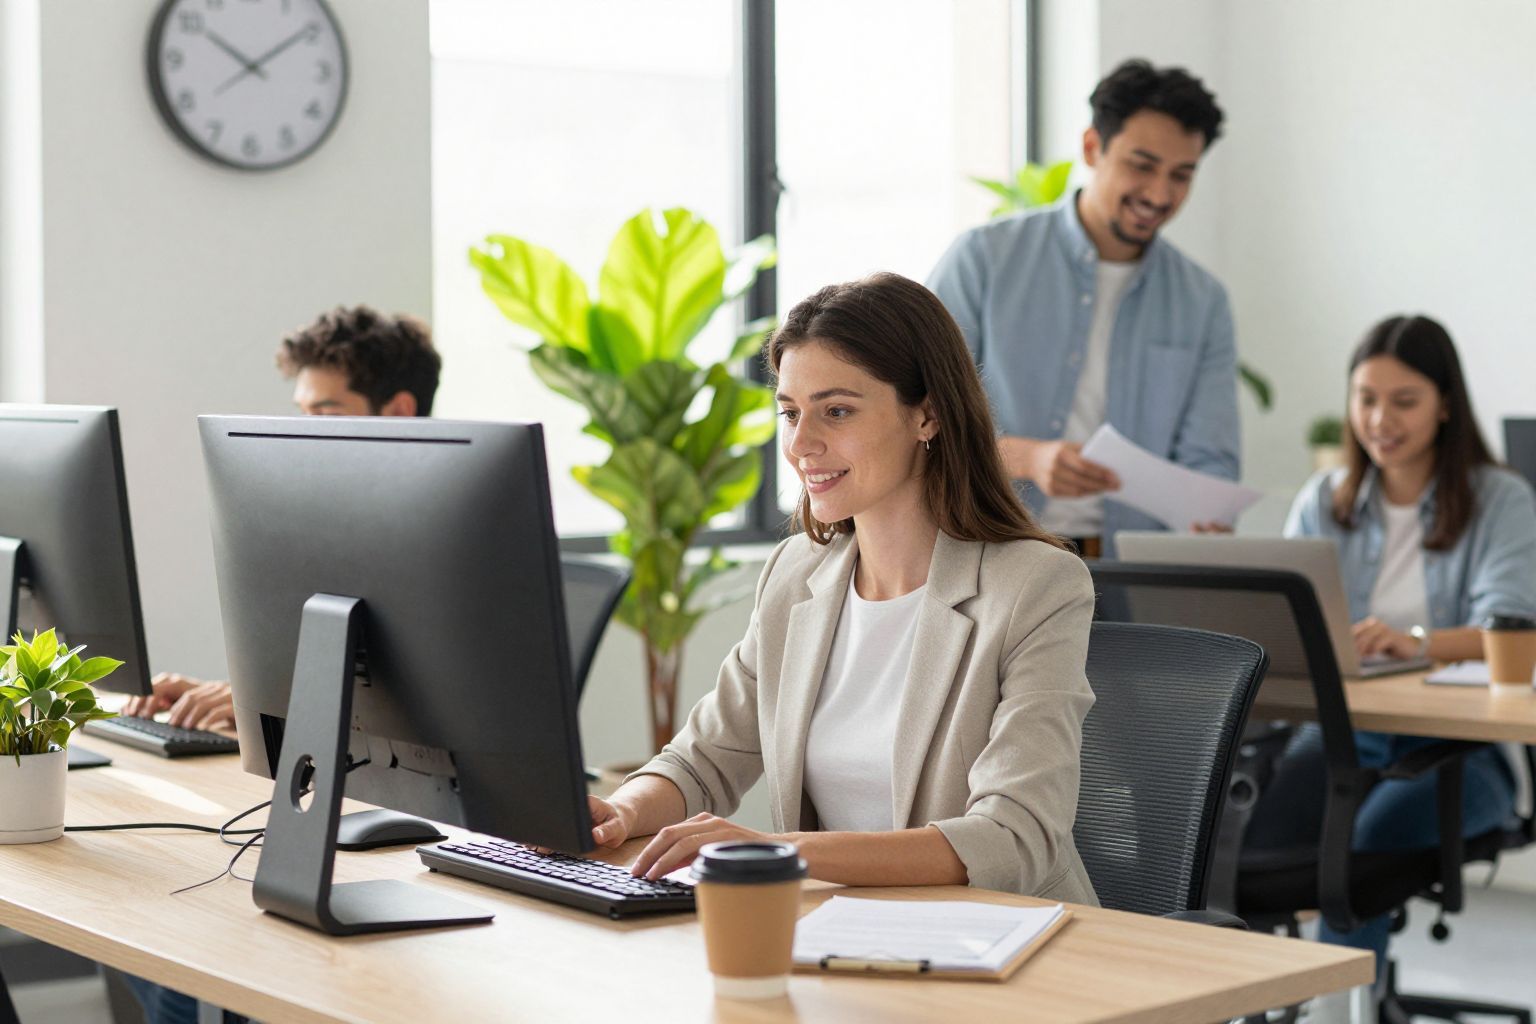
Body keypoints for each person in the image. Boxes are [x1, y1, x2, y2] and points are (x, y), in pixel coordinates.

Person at [589, 272, 1098, 901]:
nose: (802, 444)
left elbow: (1013, 837)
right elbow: (702, 759)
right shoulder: (795, 574)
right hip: (842, 935)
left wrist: (777, 853)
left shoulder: (1036, 587)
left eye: (837, 411)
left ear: (928, 414)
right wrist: (621, 811)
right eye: (790, 413)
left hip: (1005, 946)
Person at [1245, 315, 1536, 985]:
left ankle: (1347, 1007)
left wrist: (1416, 644)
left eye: (1404, 401)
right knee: (1249, 845)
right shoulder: (1325, 498)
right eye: (1366, 398)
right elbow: (1286, 616)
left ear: (1445, 406)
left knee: (1356, 851)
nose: (1381, 419)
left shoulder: (1501, 499)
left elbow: (1513, 624)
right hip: (1345, 740)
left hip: (1463, 753)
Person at [927, 58, 1237, 556]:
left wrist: (1211, 515)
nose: (1160, 194)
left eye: (1181, 175)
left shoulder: (1203, 303)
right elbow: (917, 417)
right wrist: (1028, 458)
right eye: (1142, 166)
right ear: (1093, 148)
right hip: (992, 555)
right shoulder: (983, 259)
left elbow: (1210, 464)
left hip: (1132, 574)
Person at [123, 305, 440, 730]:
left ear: (399, 411)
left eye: (327, 415)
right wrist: (237, 699)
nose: (304, 436)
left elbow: (432, 710)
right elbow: (347, 686)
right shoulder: (326, 526)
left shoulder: (444, 538)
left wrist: (267, 701)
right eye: (302, 413)